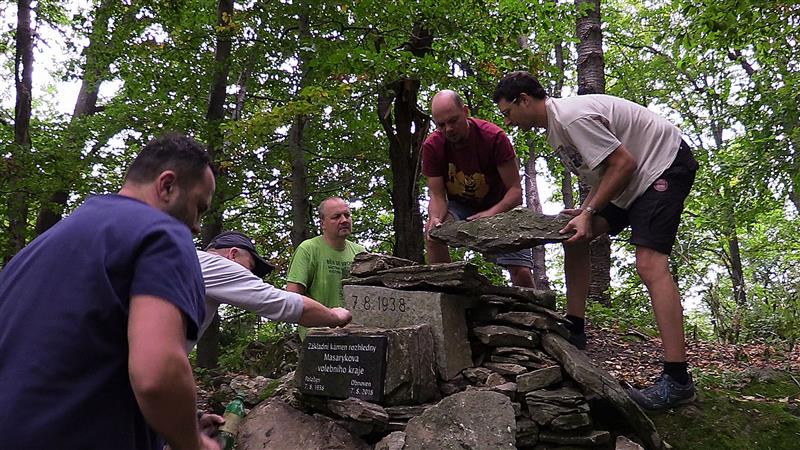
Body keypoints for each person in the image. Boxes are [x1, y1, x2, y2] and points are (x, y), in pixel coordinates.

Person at [493, 71, 699, 410]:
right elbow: (608, 171)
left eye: (507, 112)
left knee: (650, 264)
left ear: (524, 100)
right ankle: (575, 328)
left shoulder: (571, 118)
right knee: (574, 234)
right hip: (634, 182)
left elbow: (624, 163)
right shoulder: (557, 130)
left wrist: (590, 209)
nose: (509, 121)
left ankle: (677, 380)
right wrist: (586, 210)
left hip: (662, 166)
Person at [0, 133, 220, 449]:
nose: (198, 226)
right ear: (167, 185)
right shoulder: (161, 233)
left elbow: (60, 365)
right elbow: (157, 376)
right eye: (199, 207)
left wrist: (182, 421)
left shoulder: (37, 250)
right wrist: (193, 445)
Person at [422, 89, 535, 287]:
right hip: (460, 207)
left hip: (502, 206)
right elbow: (437, 195)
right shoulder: (433, 146)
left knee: (521, 271)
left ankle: (533, 312)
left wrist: (490, 214)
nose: (448, 129)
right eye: (441, 125)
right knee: (433, 234)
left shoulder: (494, 137)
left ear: (465, 112)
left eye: (453, 121)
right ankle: (444, 293)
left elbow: (515, 192)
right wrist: (435, 219)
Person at [191, 230, 353, 351]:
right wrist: (335, 316)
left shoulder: (191, 260)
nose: (250, 275)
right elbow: (289, 305)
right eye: (251, 267)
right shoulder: (219, 266)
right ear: (233, 255)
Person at [287, 197, 365, 339]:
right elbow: (293, 297)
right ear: (323, 223)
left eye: (347, 215)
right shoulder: (308, 249)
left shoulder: (361, 253)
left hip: (355, 335)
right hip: (318, 336)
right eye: (336, 217)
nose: (344, 220)